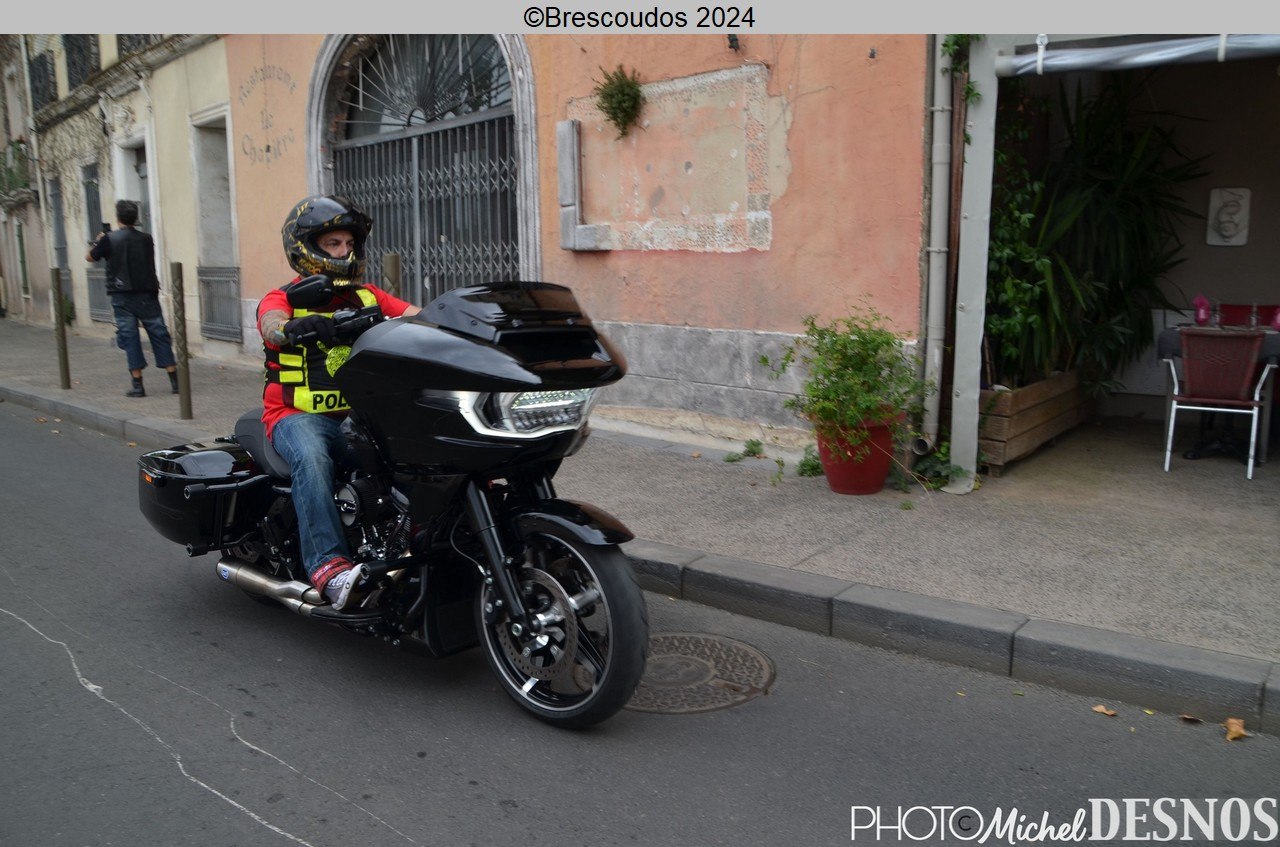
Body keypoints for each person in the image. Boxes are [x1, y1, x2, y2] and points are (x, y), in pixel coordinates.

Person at [257, 195, 420, 611]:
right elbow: (271, 326)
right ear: (306, 248)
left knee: (416, 449)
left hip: (357, 419)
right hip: (296, 417)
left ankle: (414, 542)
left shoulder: (367, 296)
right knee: (312, 457)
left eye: (348, 243)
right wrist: (296, 328)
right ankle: (328, 567)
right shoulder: (283, 298)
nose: (344, 251)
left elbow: (418, 316)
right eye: (333, 244)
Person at [86, 200, 179, 397]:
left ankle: (138, 385)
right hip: (147, 292)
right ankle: (174, 381)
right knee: (159, 333)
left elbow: (90, 257)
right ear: (135, 218)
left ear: (118, 217)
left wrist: (99, 241)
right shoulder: (146, 238)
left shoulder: (109, 239)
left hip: (122, 295)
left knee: (130, 338)